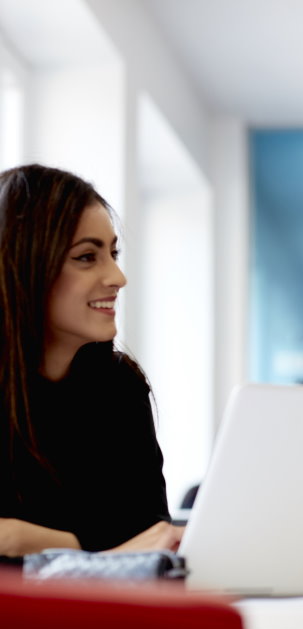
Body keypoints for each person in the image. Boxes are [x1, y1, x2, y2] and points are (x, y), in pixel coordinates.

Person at [0, 164, 181, 560]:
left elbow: (152, 540)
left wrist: (24, 539)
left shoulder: (121, 387)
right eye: (86, 256)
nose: (117, 277)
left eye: (113, 253)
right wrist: (98, 548)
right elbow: (130, 545)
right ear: (23, 264)